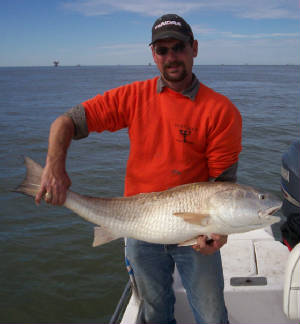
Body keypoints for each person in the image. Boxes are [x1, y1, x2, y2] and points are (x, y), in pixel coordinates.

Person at [36, 14, 242, 324]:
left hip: (195, 230)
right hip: (137, 225)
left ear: (194, 48)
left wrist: (219, 231)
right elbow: (66, 121)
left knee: (212, 315)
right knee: (155, 313)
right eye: (162, 50)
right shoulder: (134, 96)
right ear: (153, 54)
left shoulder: (221, 111)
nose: (171, 57)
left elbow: (224, 186)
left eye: (178, 47)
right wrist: (54, 168)